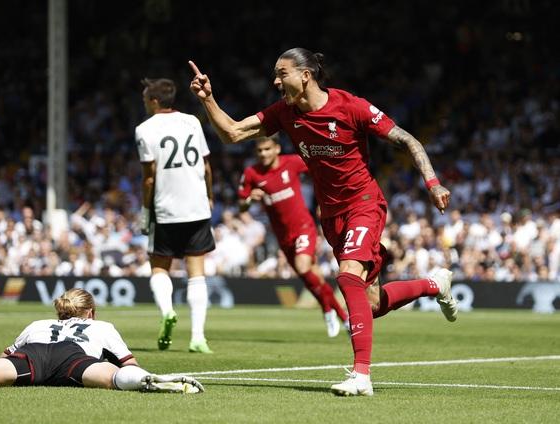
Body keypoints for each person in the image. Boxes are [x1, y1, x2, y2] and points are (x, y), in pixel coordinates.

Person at [189, 48, 458, 396]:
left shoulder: (351, 106)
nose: (275, 81)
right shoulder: (285, 113)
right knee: (371, 304)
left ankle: (361, 375)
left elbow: (407, 139)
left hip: (364, 203)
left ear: (305, 75)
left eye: (281, 73)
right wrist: (208, 100)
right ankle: (435, 285)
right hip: (331, 216)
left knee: (347, 277)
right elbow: (233, 133)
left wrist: (433, 183)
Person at [0, 288, 204, 393]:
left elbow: (5, 355)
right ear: (89, 311)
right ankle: (151, 382)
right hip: (74, 357)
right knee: (116, 378)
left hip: (33, 353)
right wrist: (136, 372)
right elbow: (127, 363)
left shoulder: (38, 323)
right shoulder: (101, 326)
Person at [238, 135, 349, 337]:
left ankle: (332, 312)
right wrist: (249, 200)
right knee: (311, 278)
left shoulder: (292, 162)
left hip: (304, 227)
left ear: (277, 149)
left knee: (303, 266)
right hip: (283, 236)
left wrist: (325, 200)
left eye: (267, 149)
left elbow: (319, 168)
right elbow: (241, 203)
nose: (263, 154)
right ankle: (338, 315)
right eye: (260, 151)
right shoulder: (251, 173)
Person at [136, 78, 215, 354]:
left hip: (166, 208)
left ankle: (168, 311)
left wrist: (146, 211)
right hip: (196, 207)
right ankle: (197, 337)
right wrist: (210, 195)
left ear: (155, 100)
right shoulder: (192, 122)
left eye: (146, 98)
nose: (144, 102)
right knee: (197, 274)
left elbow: (149, 178)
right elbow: (206, 165)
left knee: (159, 267)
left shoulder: (144, 129)